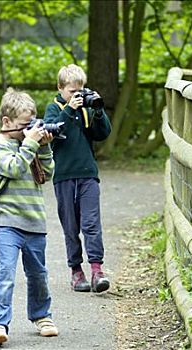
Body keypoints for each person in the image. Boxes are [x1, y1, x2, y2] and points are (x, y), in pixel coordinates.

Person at [0, 88, 58, 346]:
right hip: (8, 222)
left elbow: (46, 175)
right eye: (24, 126)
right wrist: (30, 142)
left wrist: (45, 148)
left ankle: (42, 316)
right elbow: (15, 168)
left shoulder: (31, 146)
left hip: (35, 221)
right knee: (5, 274)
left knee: (38, 274)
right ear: (7, 122)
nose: (31, 130)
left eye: (33, 124)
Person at [43, 64, 112, 293]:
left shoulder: (86, 109)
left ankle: (96, 270)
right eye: (72, 92)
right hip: (64, 176)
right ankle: (76, 271)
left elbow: (102, 134)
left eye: (80, 91)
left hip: (88, 174)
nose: (77, 96)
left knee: (91, 223)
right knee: (71, 227)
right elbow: (54, 136)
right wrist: (69, 110)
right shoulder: (53, 109)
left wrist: (99, 111)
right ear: (60, 88)